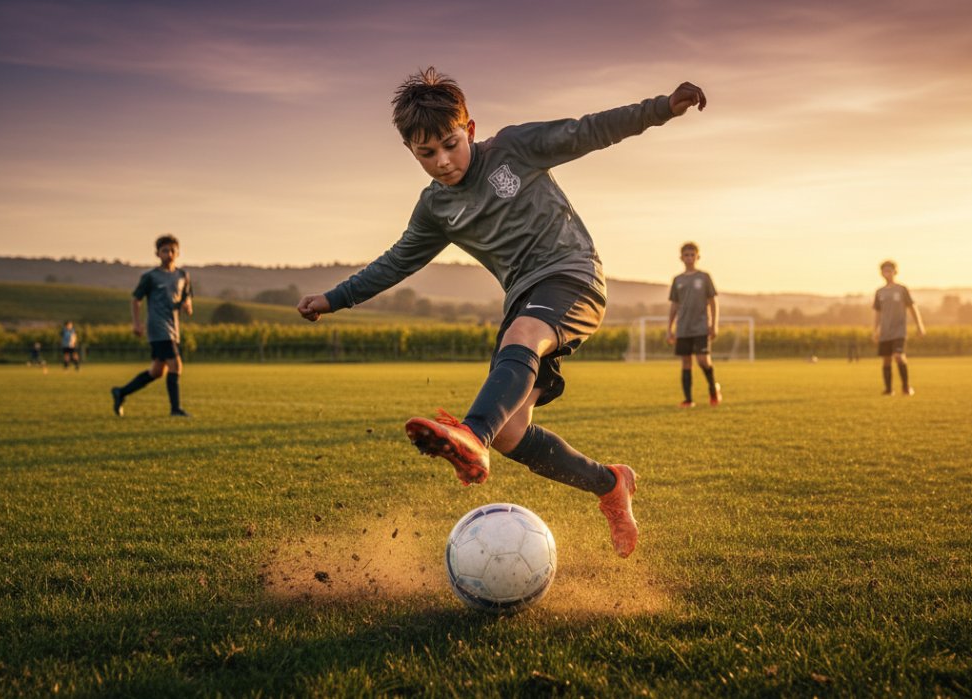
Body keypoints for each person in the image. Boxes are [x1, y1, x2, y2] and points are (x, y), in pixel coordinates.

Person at [297, 67, 708, 558]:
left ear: (469, 130)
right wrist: (333, 298)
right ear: (411, 151)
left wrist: (661, 107)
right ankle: (609, 484)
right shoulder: (435, 209)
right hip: (523, 302)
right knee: (513, 433)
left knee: (523, 337)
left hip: (572, 276)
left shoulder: (514, 149)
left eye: (450, 144)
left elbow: (590, 129)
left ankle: (471, 435)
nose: (443, 162)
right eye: (426, 154)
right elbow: (397, 261)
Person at [111, 234, 194, 417]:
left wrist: (188, 304)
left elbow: (186, 295)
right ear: (157, 253)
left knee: (157, 371)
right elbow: (136, 299)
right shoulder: (151, 277)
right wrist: (137, 323)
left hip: (174, 328)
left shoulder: (183, 275)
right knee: (176, 365)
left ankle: (121, 392)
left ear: (178, 253)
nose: (169, 254)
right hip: (158, 327)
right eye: (165, 250)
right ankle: (175, 409)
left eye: (172, 250)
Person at [667, 242, 720, 408]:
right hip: (683, 328)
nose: (689, 258)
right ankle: (688, 400)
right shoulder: (678, 280)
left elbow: (713, 301)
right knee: (686, 362)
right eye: (686, 255)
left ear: (697, 257)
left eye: (692, 255)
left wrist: (714, 324)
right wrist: (670, 328)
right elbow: (674, 305)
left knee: (703, 360)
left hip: (701, 326)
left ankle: (713, 388)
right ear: (681, 258)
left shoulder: (704, 277)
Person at [873, 260, 925, 395]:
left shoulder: (902, 290)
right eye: (885, 271)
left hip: (899, 331)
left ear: (895, 272)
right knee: (886, 359)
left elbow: (912, 307)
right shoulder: (880, 292)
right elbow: (878, 312)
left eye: (890, 270)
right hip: (885, 332)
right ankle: (889, 389)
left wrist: (919, 325)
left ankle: (906, 387)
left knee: (898, 356)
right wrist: (875, 330)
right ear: (881, 273)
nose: (887, 273)